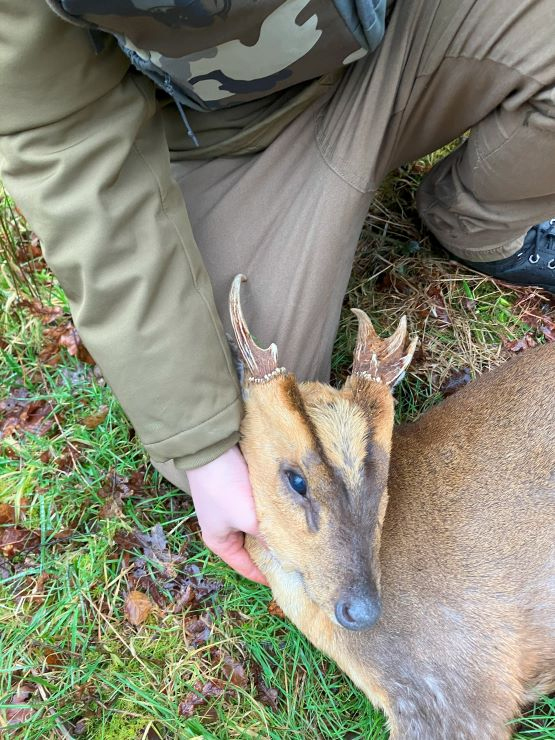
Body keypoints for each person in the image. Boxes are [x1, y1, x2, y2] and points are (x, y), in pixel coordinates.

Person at [1, 0, 554, 584]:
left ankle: (473, 218)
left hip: (403, 40)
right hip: (228, 136)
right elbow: (61, 137)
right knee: (258, 447)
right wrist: (200, 442)